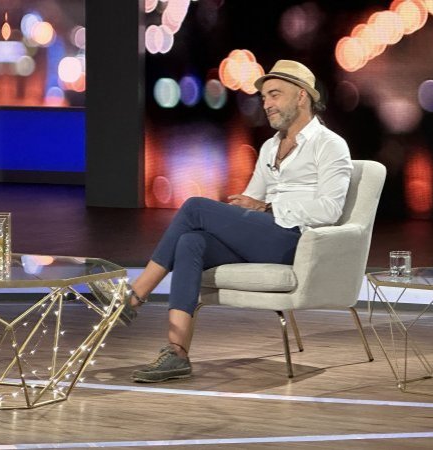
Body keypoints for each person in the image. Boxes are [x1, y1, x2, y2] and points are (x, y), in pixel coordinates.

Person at [117, 59, 352, 383]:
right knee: (190, 242)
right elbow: (250, 201)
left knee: (195, 207)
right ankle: (177, 353)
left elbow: (330, 209)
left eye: (274, 95)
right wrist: (247, 209)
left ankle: (134, 296)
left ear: (301, 96)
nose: (266, 104)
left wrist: (268, 206)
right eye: (264, 98)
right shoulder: (270, 147)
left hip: (296, 241)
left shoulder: (330, 145)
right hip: (264, 236)